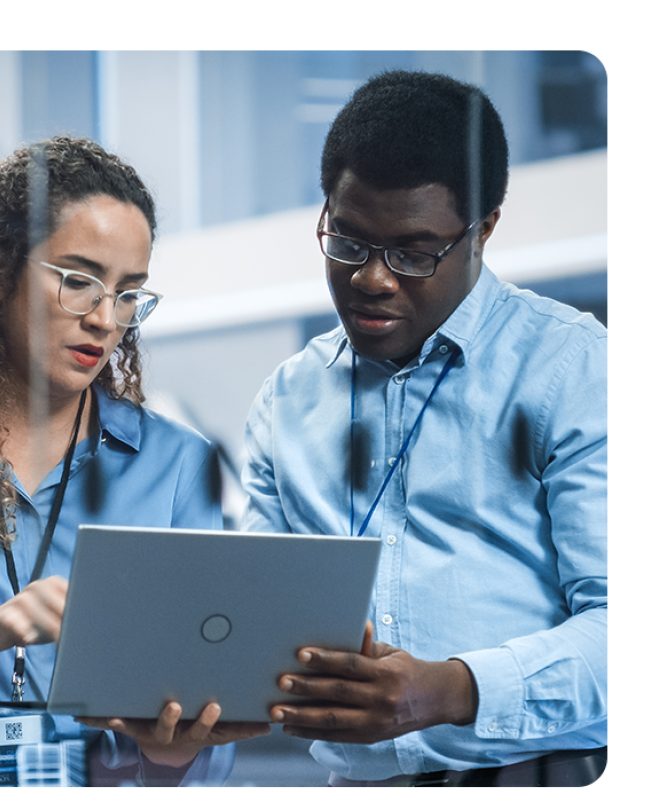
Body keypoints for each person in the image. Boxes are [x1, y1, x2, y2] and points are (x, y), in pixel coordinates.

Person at [241, 71, 607, 787]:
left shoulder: (573, 370)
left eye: (413, 253)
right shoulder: (286, 400)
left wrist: (446, 690)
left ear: (484, 230)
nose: (372, 280)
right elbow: (256, 629)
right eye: (346, 242)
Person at [0, 136, 268, 787]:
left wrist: (173, 753)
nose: (106, 319)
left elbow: (209, 723)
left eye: (128, 293)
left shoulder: (176, 464)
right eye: (79, 281)